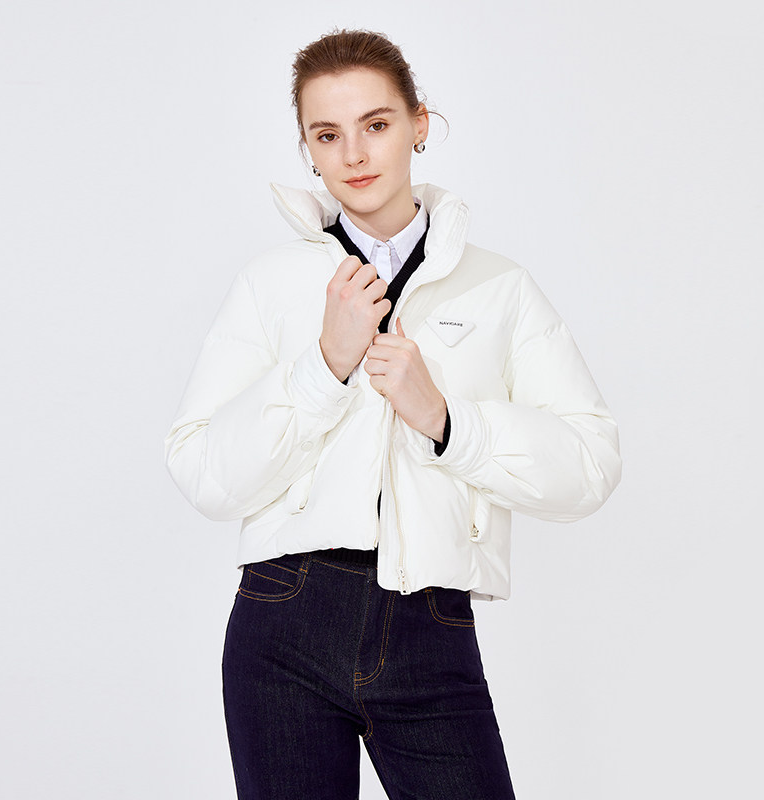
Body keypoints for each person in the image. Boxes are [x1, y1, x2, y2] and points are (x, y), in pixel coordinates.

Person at [165, 28, 621, 800]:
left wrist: (446, 421)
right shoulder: (271, 284)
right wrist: (323, 367)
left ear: (419, 124)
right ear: (308, 151)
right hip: (283, 621)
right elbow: (202, 472)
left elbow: (591, 465)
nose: (354, 154)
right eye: (327, 135)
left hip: (429, 626)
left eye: (375, 124)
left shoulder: (499, 289)